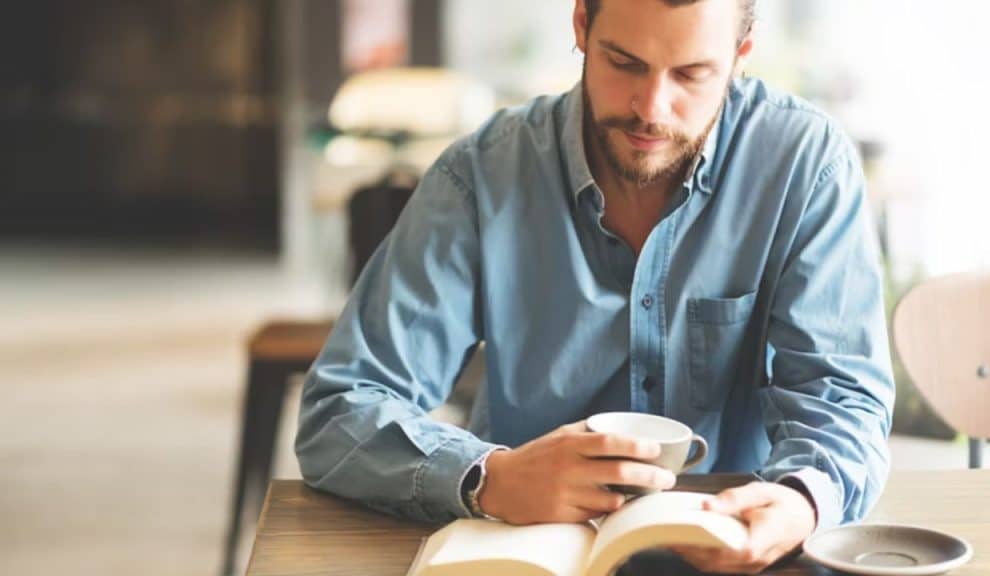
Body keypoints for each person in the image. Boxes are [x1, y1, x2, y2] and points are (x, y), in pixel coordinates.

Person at [295, 0, 895, 572]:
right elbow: (341, 409)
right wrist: (490, 478)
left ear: (741, 56)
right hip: (521, 557)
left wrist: (800, 501)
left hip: (738, 556)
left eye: (691, 74)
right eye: (625, 62)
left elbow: (843, 399)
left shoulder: (805, 166)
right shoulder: (482, 176)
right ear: (581, 24)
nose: (652, 108)